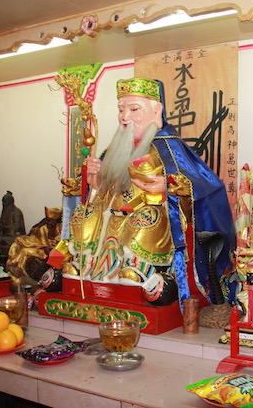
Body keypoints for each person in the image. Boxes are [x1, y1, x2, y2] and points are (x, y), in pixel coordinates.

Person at [69, 77, 236, 306]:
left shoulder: (169, 147)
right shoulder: (112, 150)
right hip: (109, 221)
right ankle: (84, 265)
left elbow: (208, 187)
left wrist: (170, 187)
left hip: (147, 217)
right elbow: (101, 192)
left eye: (134, 109)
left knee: (146, 218)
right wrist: (94, 179)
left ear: (156, 111)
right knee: (83, 214)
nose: (124, 117)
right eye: (121, 110)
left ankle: (139, 270)